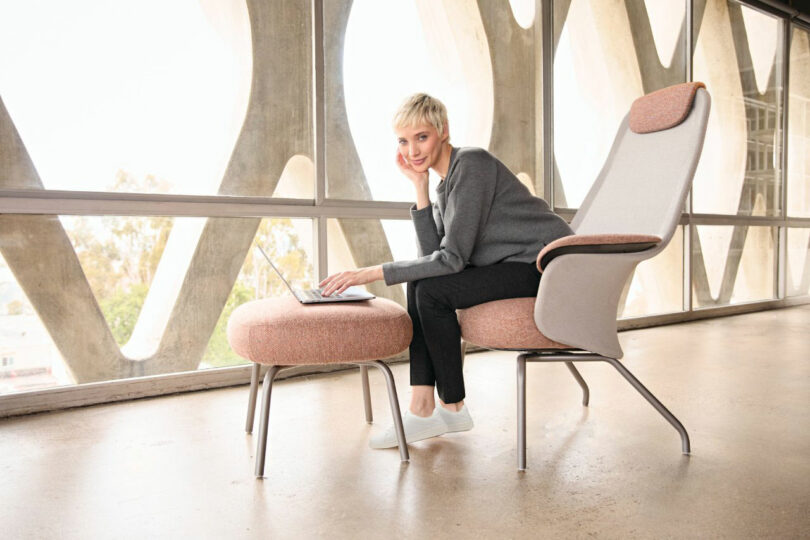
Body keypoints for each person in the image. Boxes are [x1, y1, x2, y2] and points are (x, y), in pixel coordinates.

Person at [319, 93, 573, 448]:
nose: (412, 150)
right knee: (422, 284)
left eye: (421, 137)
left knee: (432, 290)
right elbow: (433, 257)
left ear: (443, 131)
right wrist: (420, 188)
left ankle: (451, 408)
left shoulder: (472, 164)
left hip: (548, 265)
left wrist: (370, 272)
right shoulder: (444, 184)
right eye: (403, 141)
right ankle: (423, 408)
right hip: (514, 265)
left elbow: (450, 260)